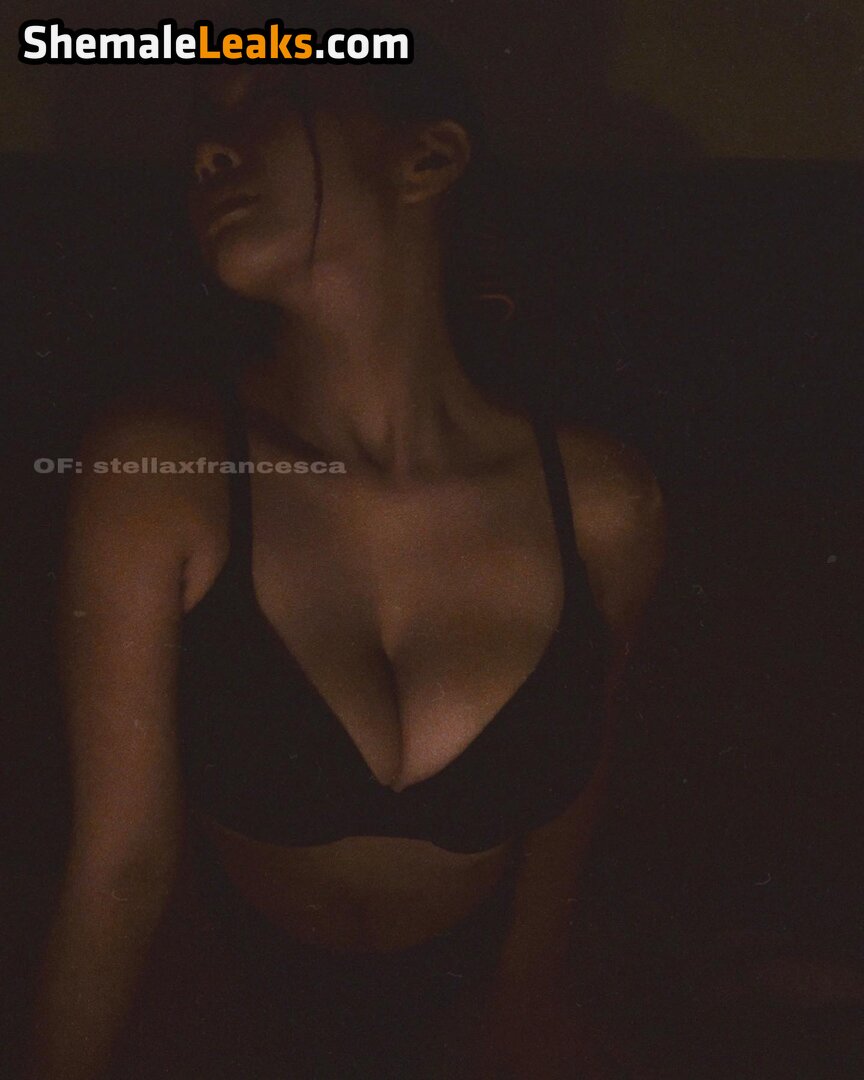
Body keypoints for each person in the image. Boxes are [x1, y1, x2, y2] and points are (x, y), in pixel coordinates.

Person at [27, 5, 665, 1077]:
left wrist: (526, 994)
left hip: (478, 992)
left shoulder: (605, 503)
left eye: (270, 100)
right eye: (203, 124)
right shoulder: (164, 468)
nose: (210, 150)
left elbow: (575, 788)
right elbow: (119, 873)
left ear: (429, 157)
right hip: (225, 989)